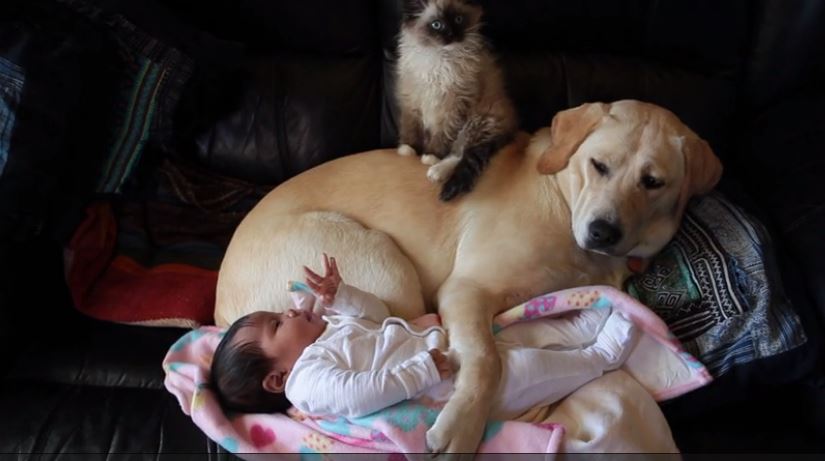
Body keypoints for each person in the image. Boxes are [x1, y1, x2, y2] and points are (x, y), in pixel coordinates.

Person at [210, 254, 638, 419]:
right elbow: (358, 395)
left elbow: (376, 318)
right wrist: (418, 373)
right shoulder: (308, 381)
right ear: (277, 379)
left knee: (520, 335)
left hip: (448, 353)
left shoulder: (329, 331)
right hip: (444, 388)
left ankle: (581, 328)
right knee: (528, 370)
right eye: (276, 324)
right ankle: (602, 355)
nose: (288, 311)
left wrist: (341, 297)